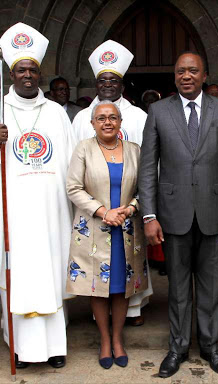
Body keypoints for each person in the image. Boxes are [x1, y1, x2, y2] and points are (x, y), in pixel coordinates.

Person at [0, 23, 75, 369]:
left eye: (32, 70)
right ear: (11, 74)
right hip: (13, 212)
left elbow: (72, 162)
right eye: (21, 70)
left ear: (39, 74)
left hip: (51, 211)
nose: (27, 75)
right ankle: (19, 347)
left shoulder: (57, 113)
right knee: (20, 276)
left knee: (52, 273)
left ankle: (55, 346)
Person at [139, 51, 218, 378]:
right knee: (179, 288)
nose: (186, 75)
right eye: (181, 70)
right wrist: (149, 215)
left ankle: (211, 347)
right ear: (174, 76)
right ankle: (178, 347)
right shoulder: (158, 111)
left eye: (193, 71)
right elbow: (147, 168)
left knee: (213, 288)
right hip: (172, 215)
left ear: (204, 75)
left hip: (215, 214)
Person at [72, 40, 152, 327]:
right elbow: (75, 169)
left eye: (113, 79)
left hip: (129, 205)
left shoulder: (140, 116)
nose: (108, 84)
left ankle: (133, 309)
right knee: (100, 262)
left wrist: (132, 206)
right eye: (102, 80)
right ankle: (101, 317)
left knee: (128, 261)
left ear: (122, 83)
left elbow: (148, 162)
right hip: (97, 207)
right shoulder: (82, 118)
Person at [66, 100, 148, 369]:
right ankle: (104, 340)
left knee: (120, 287)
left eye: (113, 117)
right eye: (101, 118)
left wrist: (132, 207)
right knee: (97, 286)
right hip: (94, 230)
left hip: (126, 228)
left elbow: (147, 185)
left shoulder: (135, 150)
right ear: (92, 123)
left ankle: (117, 339)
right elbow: (74, 188)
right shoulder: (84, 149)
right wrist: (103, 211)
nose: (107, 122)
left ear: (121, 122)